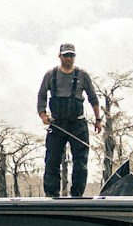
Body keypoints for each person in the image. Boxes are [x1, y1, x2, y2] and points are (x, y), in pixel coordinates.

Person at [37, 42, 101, 198]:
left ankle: (77, 195)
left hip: (78, 124)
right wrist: (43, 114)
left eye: (71, 55)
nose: (68, 58)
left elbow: (93, 98)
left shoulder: (82, 75)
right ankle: (52, 194)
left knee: (80, 161)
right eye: (66, 55)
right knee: (52, 160)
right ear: (60, 56)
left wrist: (98, 119)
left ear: (75, 56)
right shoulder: (50, 75)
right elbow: (41, 95)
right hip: (57, 124)